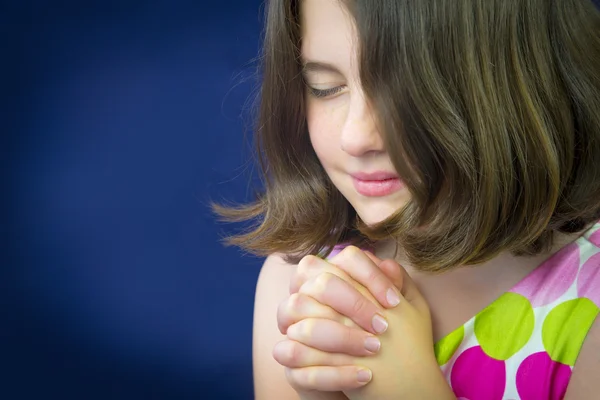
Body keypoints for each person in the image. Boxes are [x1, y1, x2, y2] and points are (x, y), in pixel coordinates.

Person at [214, 0, 600, 398]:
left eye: (405, 91)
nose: (356, 136)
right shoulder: (299, 274)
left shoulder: (589, 312)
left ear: (519, 79)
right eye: (325, 88)